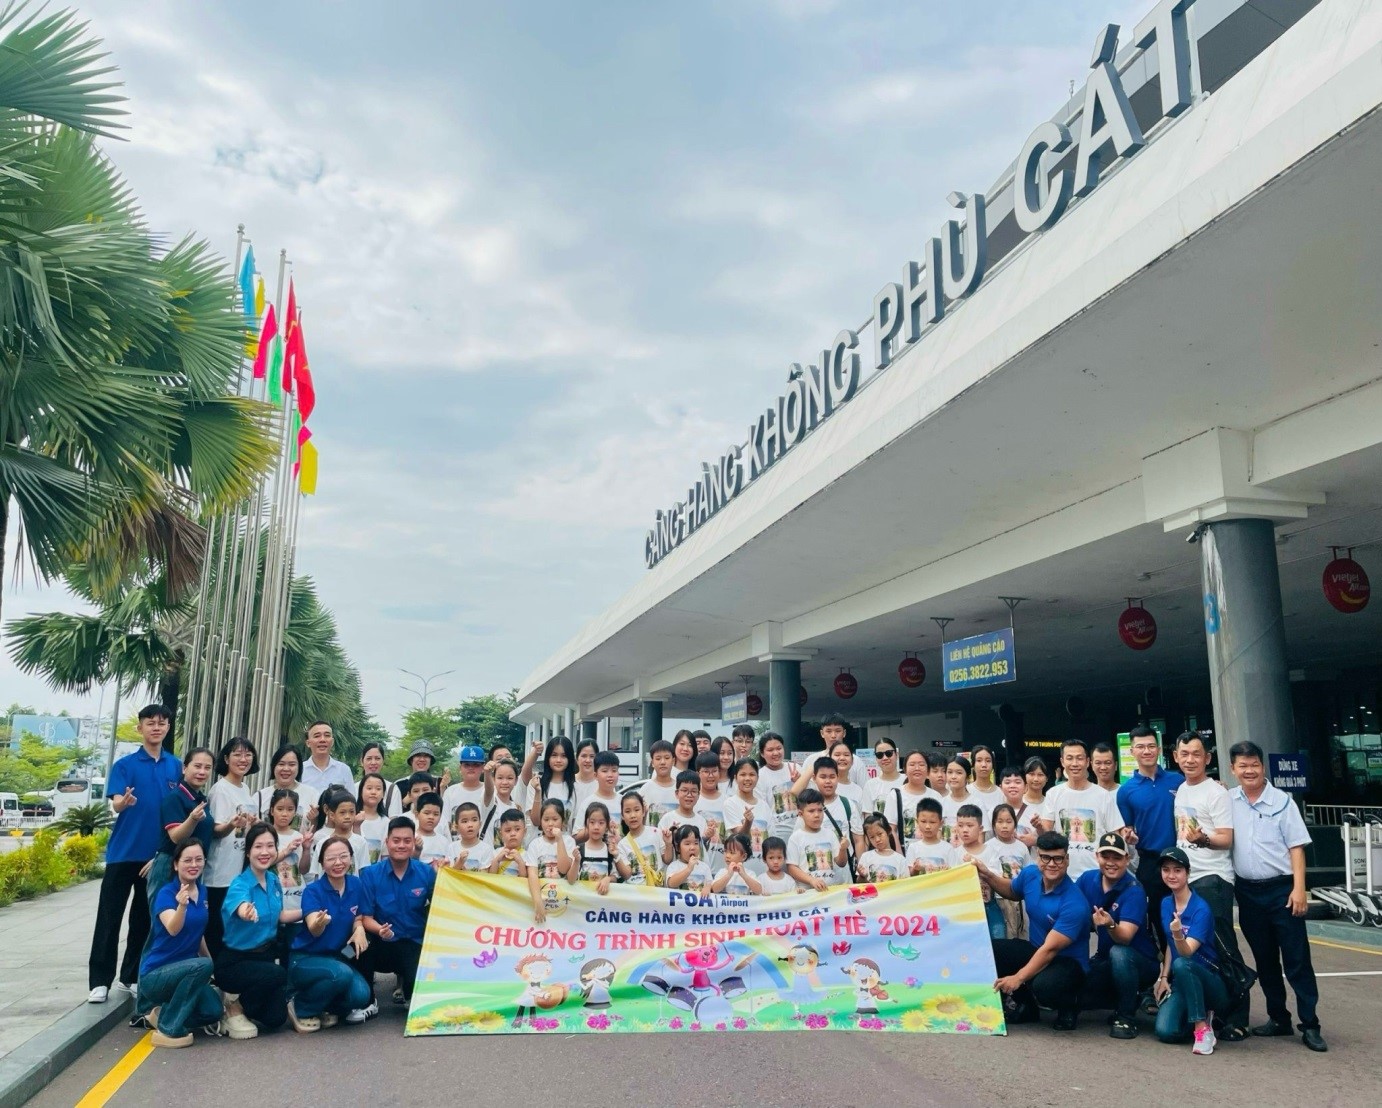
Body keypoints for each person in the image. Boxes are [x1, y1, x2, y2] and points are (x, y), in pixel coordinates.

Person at [1228, 741, 1326, 1052]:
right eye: (1243, 765)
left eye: (1254, 764)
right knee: (1265, 959)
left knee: (1297, 960)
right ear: (1233, 769)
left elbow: (1296, 848)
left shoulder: (1283, 802)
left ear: (1263, 766)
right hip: (1247, 892)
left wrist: (1299, 889)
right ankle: (1278, 1018)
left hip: (1282, 890)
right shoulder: (1228, 801)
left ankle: (1310, 1024)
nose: (1249, 770)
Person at [88, 703, 182, 1004]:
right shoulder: (125, 765)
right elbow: (116, 802)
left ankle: (131, 977)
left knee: (143, 920)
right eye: (150, 723)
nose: (156, 727)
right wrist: (122, 803)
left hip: (155, 857)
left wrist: (166, 853)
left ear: (168, 728)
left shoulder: (175, 766)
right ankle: (99, 981)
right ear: (140, 728)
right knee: (109, 917)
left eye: (162, 723)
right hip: (122, 854)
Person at [1172, 730, 1249, 1039]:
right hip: (1189, 881)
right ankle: (1216, 1008)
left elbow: (1226, 838)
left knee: (1224, 947)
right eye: (1184, 754)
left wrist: (1203, 838)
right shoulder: (1181, 789)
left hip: (1213, 880)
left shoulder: (1216, 793)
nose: (1190, 760)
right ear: (1176, 757)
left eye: (1196, 754)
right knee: (1199, 948)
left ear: (1207, 758)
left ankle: (1239, 1018)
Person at [981, 831, 1090, 1031]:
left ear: (1067, 860)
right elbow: (1011, 891)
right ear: (1038, 857)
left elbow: (1050, 950)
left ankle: (1071, 1005)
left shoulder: (1075, 903)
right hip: (1036, 950)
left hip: (1067, 964)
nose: (1051, 864)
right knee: (992, 950)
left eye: (1058, 858)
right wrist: (986, 874)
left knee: (1044, 986)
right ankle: (1027, 1007)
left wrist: (1018, 978)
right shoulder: (1031, 874)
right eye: (1045, 857)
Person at [136, 839, 226, 1047]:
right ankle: (168, 1029)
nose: (194, 865)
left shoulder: (202, 891)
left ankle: (163, 1014)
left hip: (189, 970)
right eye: (187, 860)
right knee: (201, 966)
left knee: (213, 1011)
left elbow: (198, 933)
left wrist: (210, 965)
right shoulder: (166, 893)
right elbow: (173, 928)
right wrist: (182, 907)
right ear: (176, 864)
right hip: (157, 975)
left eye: (199, 859)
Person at [1076, 833, 1160, 1039]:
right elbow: (1070, 909)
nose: (1111, 863)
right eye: (1106, 856)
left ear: (1127, 859)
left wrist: (1110, 924)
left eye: (1117, 857)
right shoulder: (1087, 879)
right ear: (1097, 856)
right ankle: (1124, 999)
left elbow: (1125, 938)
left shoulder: (1134, 890)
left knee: (1119, 953)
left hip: (1139, 961)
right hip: (1105, 959)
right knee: (1074, 992)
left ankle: (1126, 1016)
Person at [216, 823, 297, 1034]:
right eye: (258, 846)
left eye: (270, 846)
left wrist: (310, 910)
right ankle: (233, 1007)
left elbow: (281, 916)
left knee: (276, 1018)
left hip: (264, 959)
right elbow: (241, 905)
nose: (264, 852)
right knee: (278, 974)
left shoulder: (273, 880)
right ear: (248, 852)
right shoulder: (240, 883)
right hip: (235, 962)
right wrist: (246, 911)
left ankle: (246, 1004)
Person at [288, 838, 374, 1032]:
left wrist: (359, 928)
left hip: (336, 957)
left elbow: (358, 915)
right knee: (341, 974)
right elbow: (313, 927)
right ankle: (300, 1006)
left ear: (351, 858)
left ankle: (323, 1006)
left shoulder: (356, 884)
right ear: (321, 863)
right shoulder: (313, 890)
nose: (338, 863)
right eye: (331, 858)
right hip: (306, 958)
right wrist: (319, 923)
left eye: (343, 856)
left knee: (361, 995)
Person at [1116, 725, 1184, 949]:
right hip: (1150, 862)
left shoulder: (1178, 781)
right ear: (1132, 751)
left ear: (1159, 749)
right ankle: (1166, 965)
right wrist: (1129, 835)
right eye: (1140, 747)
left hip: (1181, 859)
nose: (1147, 751)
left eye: (1151, 746)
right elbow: (1127, 828)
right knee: (1157, 918)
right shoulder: (1126, 791)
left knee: (1186, 916)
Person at [1153, 847, 1224, 1054]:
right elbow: (1170, 944)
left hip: (1209, 981)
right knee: (1165, 1031)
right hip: (1181, 980)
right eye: (1166, 870)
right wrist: (1164, 977)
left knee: (1183, 963)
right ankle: (1200, 1015)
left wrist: (1177, 933)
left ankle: (1202, 1028)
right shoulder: (1166, 903)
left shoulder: (1201, 908)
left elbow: (1185, 953)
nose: (1171, 875)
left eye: (1177, 870)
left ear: (1188, 873)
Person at [359, 817, 437, 1006]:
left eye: (407, 841)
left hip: (413, 942)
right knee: (359, 945)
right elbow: (366, 917)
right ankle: (367, 1001)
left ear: (413, 843)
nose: (401, 845)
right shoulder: (370, 874)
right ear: (387, 842)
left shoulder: (426, 872)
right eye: (396, 840)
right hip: (382, 942)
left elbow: (441, 905)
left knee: (414, 999)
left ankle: (408, 988)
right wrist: (379, 930)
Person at [145, 746, 215, 921]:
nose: (202, 772)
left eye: (207, 768)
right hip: (170, 867)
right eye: (197, 766)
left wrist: (231, 825)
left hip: (191, 866)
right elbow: (176, 836)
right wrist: (192, 819)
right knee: (164, 923)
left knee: (187, 922)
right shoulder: (175, 797)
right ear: (184, 768)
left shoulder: (200, 798)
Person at [205, 736, 258, 958]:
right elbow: (215, 830)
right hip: (220, 873)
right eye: (237, 754)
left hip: (238, 870)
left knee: (232, 927)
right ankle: (214, 971)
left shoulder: (244, 788)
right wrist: (231, 824)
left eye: (248, 754)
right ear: (226, 759)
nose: (243, 759)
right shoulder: (220, 789)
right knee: (217, 927)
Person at [1037, 740, 1121, 877]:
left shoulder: (1103, 795)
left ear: (1087, 762)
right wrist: (1038, 827)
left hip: (1095, 873)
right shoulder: (1053, 793)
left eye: (1079, 758)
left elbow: (1115, 836)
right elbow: (1046, 834)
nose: (1075, 763)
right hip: (1062, 873)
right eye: (1069, 758)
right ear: (1062, 761)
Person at [982, 804, 1030, 939]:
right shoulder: (988, 846)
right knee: (1004, 933)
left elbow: (1027, 871)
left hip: (1019, 898)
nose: (1004, 826)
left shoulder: (1022, 847)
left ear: (1015, 824)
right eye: (1000, 821)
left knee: (1021, 932)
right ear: (993, 825)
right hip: (998, 898)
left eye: (1009, 822)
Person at [785, 788, 848, 890]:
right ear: (800, 814)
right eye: (811, 811)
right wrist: (811, 880)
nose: (817, 815)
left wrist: (843, 849)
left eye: (820, 810)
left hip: (830, 890)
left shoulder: (830, 834)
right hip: (808, 893)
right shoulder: (796, 838)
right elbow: (792, 868)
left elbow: (841, 863)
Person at [527, 799, 577, 922]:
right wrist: (538, 901)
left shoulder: (569, 841)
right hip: (542, 896)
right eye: (546, 819)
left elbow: (564, 869)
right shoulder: (535, 844)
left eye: (555, 819)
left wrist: (559, 839)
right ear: (541, 821)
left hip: (563, 899)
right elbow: (532, 874)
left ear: (563, 821)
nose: (550, 824)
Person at [253, 745, 319, 826]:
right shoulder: (259, 797)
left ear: (299, 767)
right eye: (281, 764)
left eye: (292, 764)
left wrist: (314, 819)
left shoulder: (312, 794)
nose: (286, 769)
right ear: (274, 766)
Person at [722, 758, 766, 865]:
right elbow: (739, 838)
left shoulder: (764, 806)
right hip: (739, 868)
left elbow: (770, 840)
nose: (747, 778)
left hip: (762, 868)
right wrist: (748, 823)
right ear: (735, 778)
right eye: (743, 774)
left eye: (752, 774)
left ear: (758, 778)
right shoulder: (730, 804)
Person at [614, 792, 663, 887]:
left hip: (657, 890)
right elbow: (626, 875)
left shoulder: (656, 833)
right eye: (627, 811)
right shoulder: (622, 845)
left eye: (637, 810)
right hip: (635, 893)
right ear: (622, 816)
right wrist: (616, 856)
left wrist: (668, 843)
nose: (633, 815)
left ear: (643, 811)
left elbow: (667, 859)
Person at [529, 735, 577, 830]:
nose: (558, 760)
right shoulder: (536, 783)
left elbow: (575, 823)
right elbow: (536, 821)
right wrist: (538, 792)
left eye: (563, 756)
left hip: (565, 839)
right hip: (540, 838)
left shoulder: (575, 786)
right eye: (554, 755)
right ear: (548, 757)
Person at [574, 751, 625, 839]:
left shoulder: (623, 801)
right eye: (605, 771)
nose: (610, 775)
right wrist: (596, 825)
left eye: (614, 770)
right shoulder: (588, 802)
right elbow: (576, 836)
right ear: (595, 775)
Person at [755, 732, 800, 824]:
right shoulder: (759, 776)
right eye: (770, 750)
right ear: (762, 753)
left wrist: (798, 783)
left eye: (779, 748)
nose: (776, 753)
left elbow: (808, 797)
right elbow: (761, 808)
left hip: (798, 826)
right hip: (775, 828)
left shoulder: (795, 768)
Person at [906, 798, 959, 875]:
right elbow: (909, 875)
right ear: (917, 822)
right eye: (923, 821)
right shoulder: (913, 848)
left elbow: (955, 874)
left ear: (941, 823)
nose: (927, 826)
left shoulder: (948, 848)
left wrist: (947, 870)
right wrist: (915, 869)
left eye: (932, 822)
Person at [570, 802, 617, 890]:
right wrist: (576, 861)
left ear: (607, 826)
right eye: (592, 822)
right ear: (586, 824)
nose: (596, 827)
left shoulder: (610, 851)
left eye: (601, 823)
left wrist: (608, 879)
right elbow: (571, 880)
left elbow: (615, 876)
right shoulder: (579, 849)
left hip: (603, 897)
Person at [633, 739, 679, 828]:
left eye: (667, 758)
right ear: (652, 762)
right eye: (658, 758)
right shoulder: (645, 789)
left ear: (673, 761)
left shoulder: (679, 788)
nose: (662, 762)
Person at [693, 752, 727, 868]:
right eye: (706, 772)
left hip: (723, 867)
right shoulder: (693, 800)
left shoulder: (727, 801)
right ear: (698, 774)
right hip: (698, 866)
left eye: (714, 771)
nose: (710, 775)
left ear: (719, 772)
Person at [440, 745, 489, 827]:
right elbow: (445, 824)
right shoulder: (450, 792)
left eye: (476, 765)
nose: (471, 768)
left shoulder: (490, 790)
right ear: (460, 767)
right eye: (467, 765)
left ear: (483, 768)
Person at [300, 721, 354, 792]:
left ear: (332, 742)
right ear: (308, 743)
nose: (322, 740)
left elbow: (351, 797)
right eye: (317, 736)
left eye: (327, 735)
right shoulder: (300, 770)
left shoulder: (344, 770)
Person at [856, 814, 907, 883]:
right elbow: (859, 884)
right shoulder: (866, 857)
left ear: (888, 831)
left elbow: (905, 885)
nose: (877, 839)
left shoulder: (901, 860)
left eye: (880, 834)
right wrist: (862, 876)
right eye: (872, 837)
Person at [355, 742, 401, 817]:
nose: (373, 762)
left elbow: (395, 820)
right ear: (361, 761)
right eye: (369, 758)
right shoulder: (353, 788)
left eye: (377, 758)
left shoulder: (392, 789)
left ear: (383, 761)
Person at [451, 801, 496, 873]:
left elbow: (484, 876)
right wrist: (460, 862)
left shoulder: (486, 849)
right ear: (457, 827)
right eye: (465, 821)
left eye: (474, 820)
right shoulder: (452, 848)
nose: (470, 825)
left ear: (480, 824)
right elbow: (448, 874)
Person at [940, 756, 975, 846]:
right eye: (950, 772)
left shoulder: (976, 803)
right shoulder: (941, 803)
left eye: (959, 773)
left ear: (967, 777)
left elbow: (980, 837)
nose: (953, 777)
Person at [666, 824, 713, 892]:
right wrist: (688, 869)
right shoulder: (674, 866)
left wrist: (708, 888)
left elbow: (710, 885)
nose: (692, 847)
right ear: (678, 848)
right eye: (687, 844)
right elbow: (671, 884)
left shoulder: (704, 867)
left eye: (696, 843)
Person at [411, 792, 450, 867]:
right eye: (427, 813)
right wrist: (416, 851)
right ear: (417, 815)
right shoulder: (411, 838)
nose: (431, 817)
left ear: (440, 817)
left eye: (436, 814)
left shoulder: (444, 841)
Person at [393, 740, 437, 804]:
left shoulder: (439, 782)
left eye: (426, 756)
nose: (422, 759)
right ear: (411, 760)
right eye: (418, 755)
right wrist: (404, 803)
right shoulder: (399, 784)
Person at [572, 738, 600, 808]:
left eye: (592, 756)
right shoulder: (569, 782)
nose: (588, 760)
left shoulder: (602, 783)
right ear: (577, 759)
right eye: (584, 756)